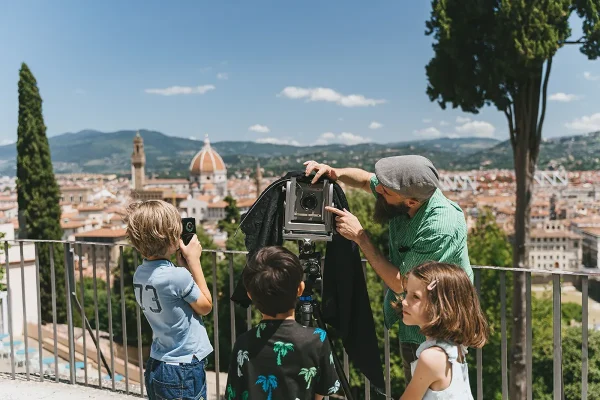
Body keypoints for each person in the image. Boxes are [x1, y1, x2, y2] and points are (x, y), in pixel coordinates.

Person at [304, 156, 472, 383]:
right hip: (415, 317)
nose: (378, 191)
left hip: (439, 326)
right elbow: (365, 181)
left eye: (386, 191)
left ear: (411, 202)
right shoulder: (402, 193)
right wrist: (336, 173)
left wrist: (361, 238)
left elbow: (402, 284)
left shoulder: (440, 226)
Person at [225, 246, 340, 400]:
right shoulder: (317, 340)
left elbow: (234, 395)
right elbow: (321, 393)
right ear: (300, 289)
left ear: (250, 296)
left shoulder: (243, 344)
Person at [126, 200, 213, 400]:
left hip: (157, 363)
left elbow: (168, 289)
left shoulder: (140, 273)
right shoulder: (177, 277)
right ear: (172, 237)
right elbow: (206, 306)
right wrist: (194, 262)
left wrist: (180, 267)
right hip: (182, 368)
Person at [397, 261, 488, 399]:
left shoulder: (432, 358)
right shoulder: (456, 347)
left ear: (440, 305)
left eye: (415, 296)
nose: (404, 301)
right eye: (406, 293)